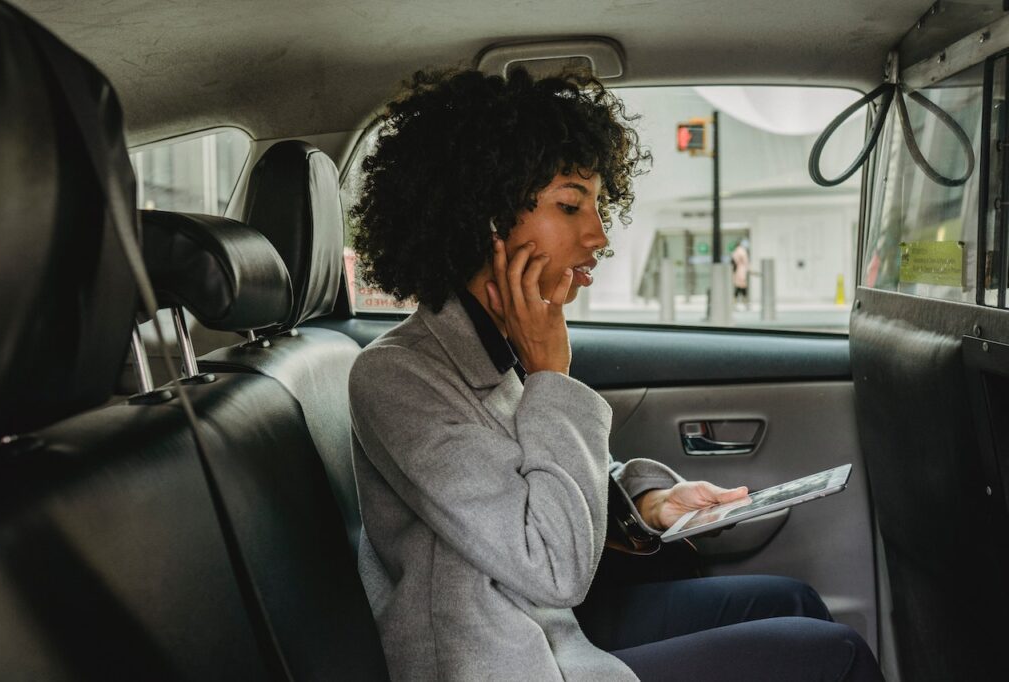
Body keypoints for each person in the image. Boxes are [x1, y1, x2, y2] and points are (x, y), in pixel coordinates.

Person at [348, 68, 883, 681]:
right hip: (505, 661)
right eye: (570, 204)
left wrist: (650, 504)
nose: (599, 235)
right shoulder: (398, 377)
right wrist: (553, 376)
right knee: (834, 658)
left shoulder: (500, 345)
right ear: (484, 218)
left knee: (792, 602)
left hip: (552, 629)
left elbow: (553, 481)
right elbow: (551, 566)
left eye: (598, 206)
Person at [731, 238, 750, 308]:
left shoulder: (735, 252)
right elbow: (746, 262)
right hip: (741, 271)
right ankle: (745, 302)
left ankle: (735, 302)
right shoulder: (742, 251)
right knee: (742, 287)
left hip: (736, 271)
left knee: (738, 287)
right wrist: (749, 269)